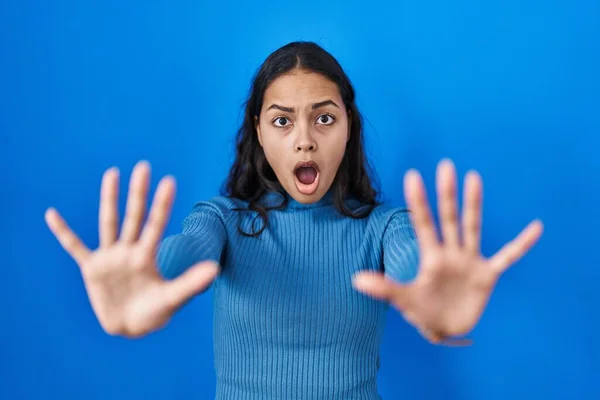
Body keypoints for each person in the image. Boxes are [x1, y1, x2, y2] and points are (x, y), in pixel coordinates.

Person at [44, 41, 543, 399]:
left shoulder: (385, 227)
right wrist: (151, 275)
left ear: (348, 126)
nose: (304, 139)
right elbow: (186, 250)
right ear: (259, 132)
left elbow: (412, 261)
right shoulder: (222, 220)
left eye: (324, 118)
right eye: (282, 120)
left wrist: (430, 285)